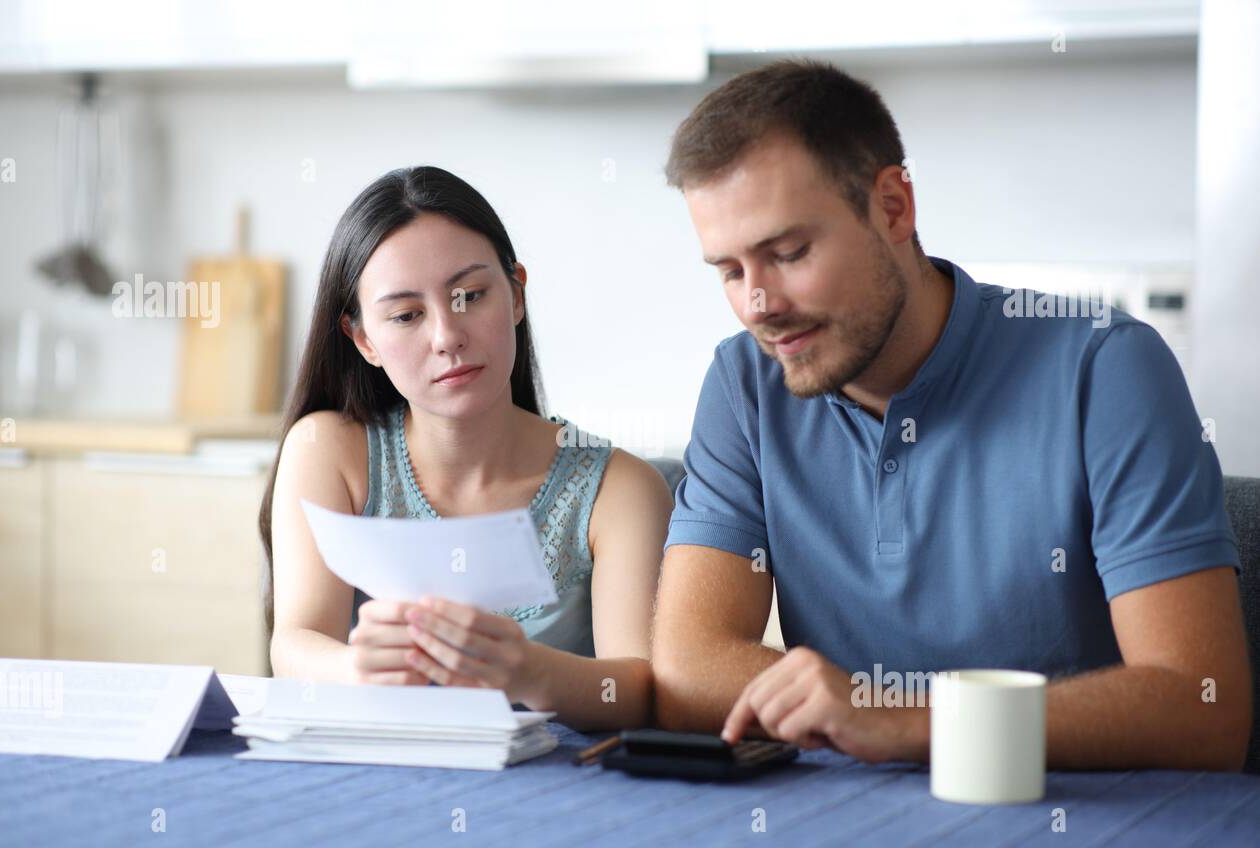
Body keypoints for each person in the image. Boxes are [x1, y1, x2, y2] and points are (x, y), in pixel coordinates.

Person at [651, 59, 1252, 771]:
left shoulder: (1107, 369)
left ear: (894, 208)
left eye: (787, 253)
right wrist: (870, 717)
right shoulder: (744, 383)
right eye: (729, 271)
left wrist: (901, 719)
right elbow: (687, 672)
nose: (758, 304)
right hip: (853, 821)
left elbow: (1204, 708)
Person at [260, 166, 673, 731]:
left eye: (470, 296)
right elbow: (295, 645)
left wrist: (526, 670)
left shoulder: (620, 489)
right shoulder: (326, 449)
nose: (446, 337)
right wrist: (361, 669)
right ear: (363, 340)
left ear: (517, 296)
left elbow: (642, 692)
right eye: (406, 315)